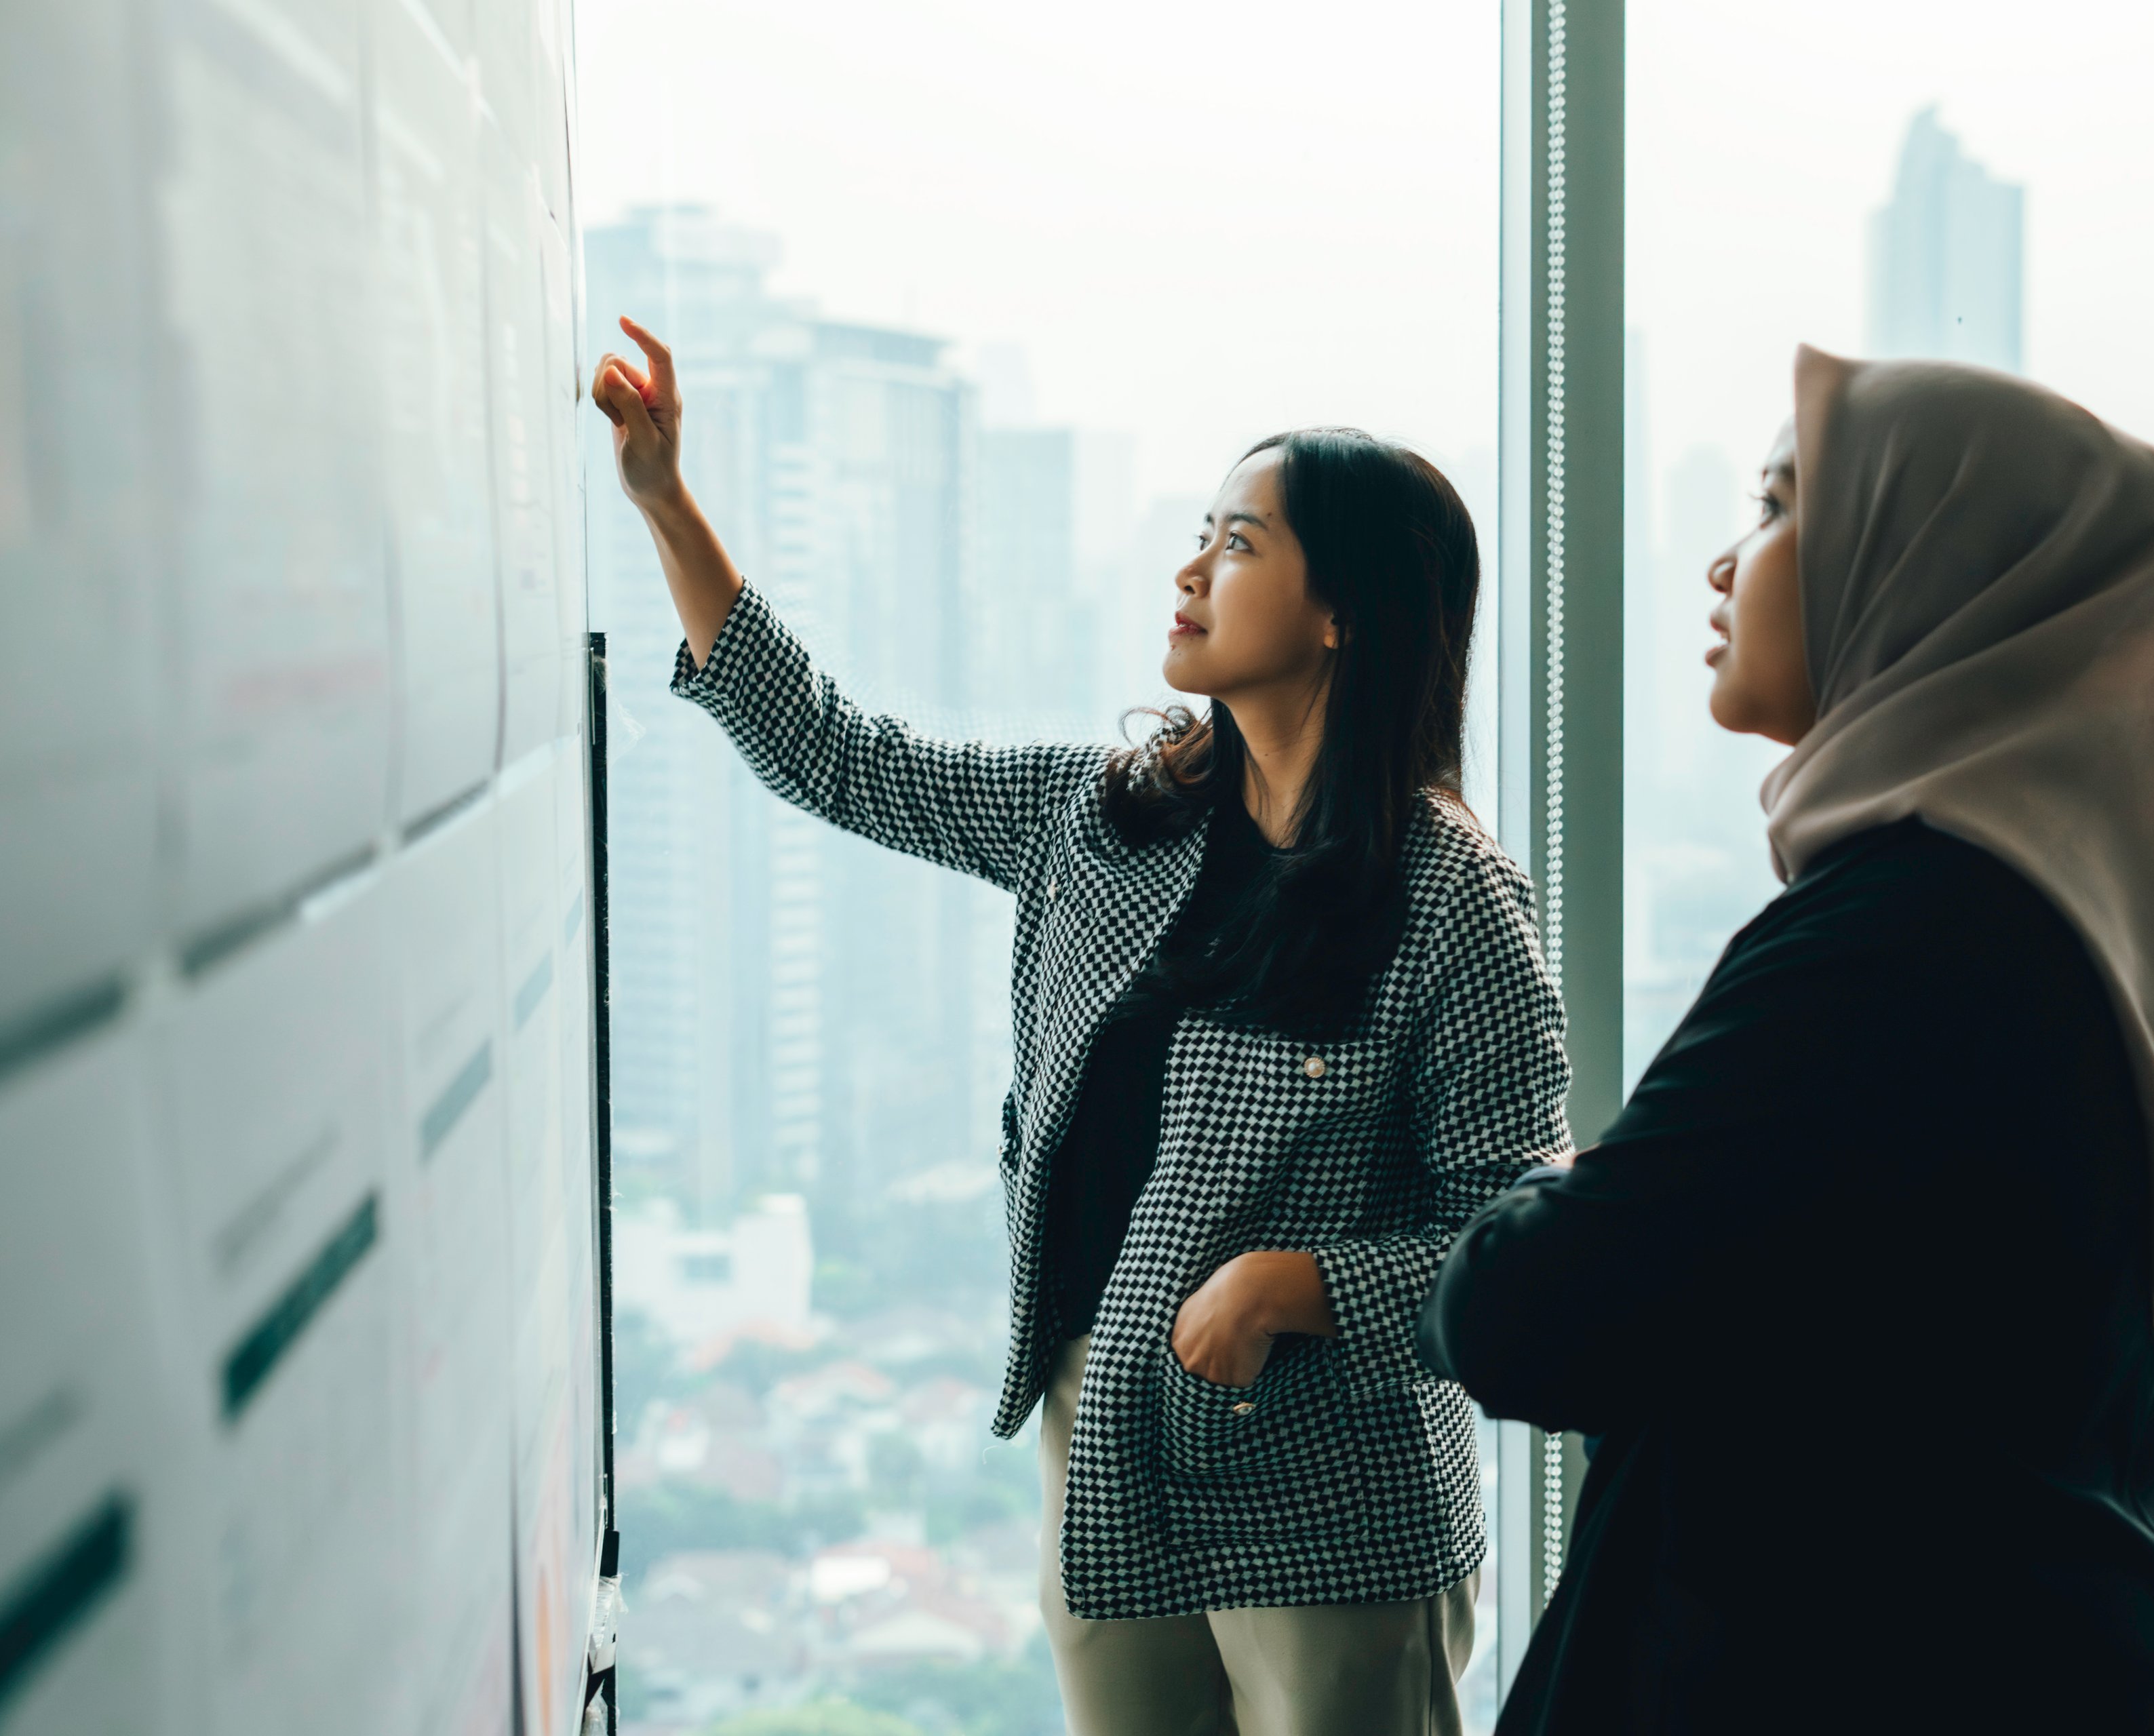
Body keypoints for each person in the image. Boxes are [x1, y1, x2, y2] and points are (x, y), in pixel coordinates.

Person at [593, 319, 1569, 1735]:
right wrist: (669, 505)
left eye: (1237, 544)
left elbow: (1517, 1233)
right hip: (1106, 1444)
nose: (1189, 570)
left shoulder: (1452, 898)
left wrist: (1295, 1284)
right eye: (1198, 534)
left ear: (1341, 607)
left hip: (1330, 1497)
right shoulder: (1105, 820)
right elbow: (844, 754)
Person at [1419, 347, 2154, 1732]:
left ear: (1932, 574)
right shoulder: (2028, 922)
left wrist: (1553, 1187)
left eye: (1782, 508)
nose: (1730, 564)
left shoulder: (1901, 941)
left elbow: (1526, 1315)